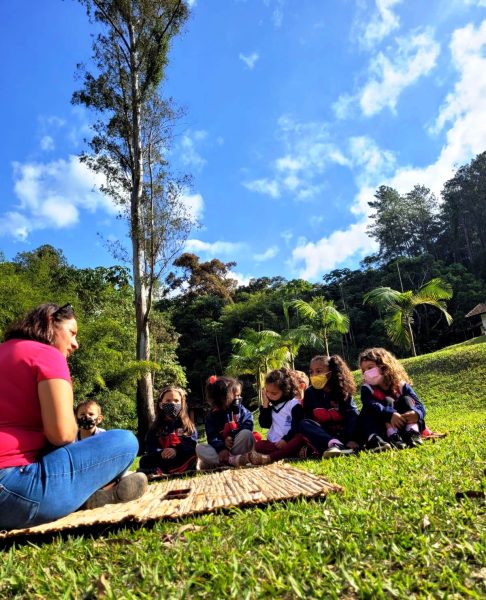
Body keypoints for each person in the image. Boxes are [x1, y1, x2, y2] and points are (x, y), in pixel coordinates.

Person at [0, 303, 147, 531]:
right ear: (50, 323)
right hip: (12, 489)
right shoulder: (46, 354)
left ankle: (92, 493)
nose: (76, 343)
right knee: (125, 441)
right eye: (72, 333)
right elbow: (63, 435)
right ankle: (97, 490)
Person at [358, 347, 426, 451]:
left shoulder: (401, 385)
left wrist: (416, 413)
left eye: (370, 367)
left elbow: (419, 404)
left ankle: (412, 433)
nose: (366, 372)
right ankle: (391, 436)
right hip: (382, 427)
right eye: (363, 370)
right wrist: (390, 414)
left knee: (407, 399)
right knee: (385, 402)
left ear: (383, 366)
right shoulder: (367, 389)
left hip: (403, 423)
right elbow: (371, 404)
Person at [300, 355, 360, 458]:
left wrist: (351, 439)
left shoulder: (343, 391)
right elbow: (309, 419)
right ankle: (334, 445)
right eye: (311, 372)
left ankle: (341, 446)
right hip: (325, 436)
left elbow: (352, 416)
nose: (314, 375)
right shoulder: (310, 393)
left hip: (345, 434)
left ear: (331, 372)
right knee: (304, 423)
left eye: (318, 371)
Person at [242, 368, 305, 466]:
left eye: (274, 393)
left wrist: (285, 440)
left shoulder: (293, 404)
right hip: (274, 444)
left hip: (289, 441)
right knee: (258, 446)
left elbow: (297, 427)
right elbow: (264, 424)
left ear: (285, 391)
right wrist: (265, 405)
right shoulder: (272, 405)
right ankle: (290, 453)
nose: (269, 395)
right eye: (267, 392)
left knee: (299, 437)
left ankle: (272, 457)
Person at [196, 375, 254, 469]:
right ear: (223, 398)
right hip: (221, 451)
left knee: (247, 434)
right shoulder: (212, 417)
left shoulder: (241, 409)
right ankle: (232, 460)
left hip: (237, 446)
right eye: (236, 396)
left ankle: (222, 462)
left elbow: (248, 423)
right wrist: (221, 447)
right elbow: (212, 437)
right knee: (199, 448)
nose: (239, 398)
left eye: (239, 395)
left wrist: (232, 436)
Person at [139, 386, 197, 476]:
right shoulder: (155, 428)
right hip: (162, 458)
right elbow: (151, 447)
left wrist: (175, 450)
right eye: (168, 401)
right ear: (161, 405)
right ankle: (161, 470)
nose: (172, 403)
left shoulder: (187, 426)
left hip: (180, 456)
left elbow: (190, 444)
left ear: (182, 404)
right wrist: (161, 453)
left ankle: (159, 471)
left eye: (176, 401)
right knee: (144, 460)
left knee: (192, 454)